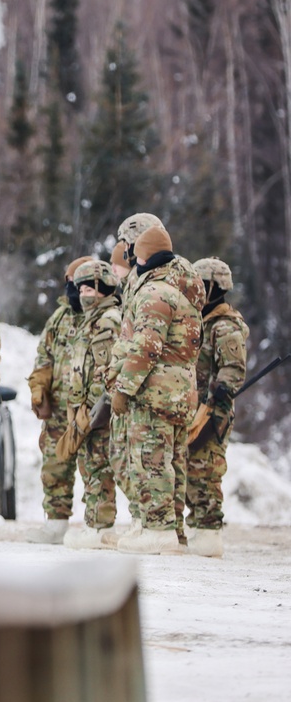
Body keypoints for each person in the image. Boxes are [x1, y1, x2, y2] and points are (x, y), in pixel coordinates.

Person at [107, 220, 204, 555]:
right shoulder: (181, 288)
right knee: (173, 461)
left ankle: (158, 529)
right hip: (181, 390)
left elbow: (145, 346)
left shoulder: (153, 293)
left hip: (155, 391)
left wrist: (123, 388)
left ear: (145, 258)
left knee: (151, 460)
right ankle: (173, 530)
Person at [185, 257, 248, 557]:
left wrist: (218, 395)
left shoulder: (225, 326)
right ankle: (196, 525)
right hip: (193, 408)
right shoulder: (200, 320)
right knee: (189, 467)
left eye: (199, 285)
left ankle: (209, 532)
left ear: (212, 287)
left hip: (214, 411)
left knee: (206, 470)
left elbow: (233, 369)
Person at [60, 258, 122, 549]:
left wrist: (94, 408)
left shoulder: (107, 321)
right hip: (85, 408)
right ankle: (95, 523)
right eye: (79, 288)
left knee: (98, 468)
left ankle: (101, 528)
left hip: (99, 410)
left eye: (89, 288)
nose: (82, 294)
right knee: (90, 467)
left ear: (103, 288)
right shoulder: (90, 320)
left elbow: (107, 368)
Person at [25, 258, 88, 542]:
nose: (73, 288)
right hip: (59, 411)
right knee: (54, 467)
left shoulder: (104, 316)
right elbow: (44, 358)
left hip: (91, 409)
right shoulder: (59, 318)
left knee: (97, 469)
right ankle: (56, 524)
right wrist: (39, 388)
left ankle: (100, 525)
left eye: (79, 283)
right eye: (69, 282)